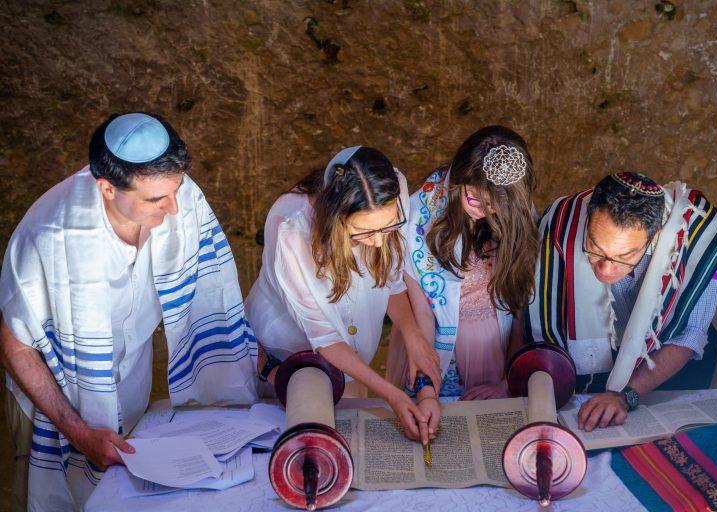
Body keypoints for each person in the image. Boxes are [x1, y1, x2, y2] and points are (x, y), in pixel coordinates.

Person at [0, 113, 259, 511]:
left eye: (177, 189)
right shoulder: (50, 236)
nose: (175, 208)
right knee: (58, 499)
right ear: (107, 188)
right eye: (156, 200)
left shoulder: (179, 196)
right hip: (54, 398)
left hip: (128, 388)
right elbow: (15, 345)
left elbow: (216, 298)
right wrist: (79, 432)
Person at [245, 146, 441, 444]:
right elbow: (323, 336)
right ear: (334, 219)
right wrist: (390, 394)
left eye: (387, 227)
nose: (378, 242)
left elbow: (390, 280)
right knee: (296, 432)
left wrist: (413, 335)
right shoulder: (291, 229)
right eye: (363, 232)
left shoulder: (390, 189)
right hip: (286, 352)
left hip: (348, 349)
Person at [526, 172, 717, 432]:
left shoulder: (701, 240)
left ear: (655, 235)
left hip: (668, 359)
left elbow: (690, 333)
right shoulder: (563, 219)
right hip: (601, 352)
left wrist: (626, 395)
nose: (605, 270)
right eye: (595, 248)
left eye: (624, 256)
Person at [387, 125, 538, 404]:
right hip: (436, 343)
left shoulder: (513, 207)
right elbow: (423, 313)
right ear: (458, 182)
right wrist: (427, 390)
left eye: (496, 205)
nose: (487, 212)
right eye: (476, 200)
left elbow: (520, 304)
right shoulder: (420, 220)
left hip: (500, 344)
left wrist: (508, 381)